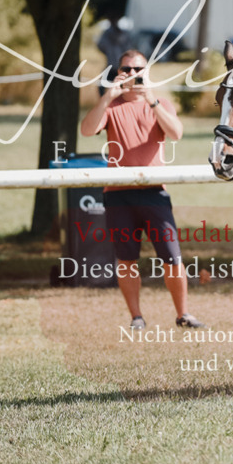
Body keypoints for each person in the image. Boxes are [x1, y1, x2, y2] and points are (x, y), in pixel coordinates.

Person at [80, 49, 205, 330]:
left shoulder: (158, 102)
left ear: (145, 72)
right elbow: (87, 130)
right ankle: (136, 317)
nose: (132, 74)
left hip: (154, 192)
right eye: (126, 69)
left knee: (172, 257)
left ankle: (183, 314)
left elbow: (176, 133)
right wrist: (108, 96)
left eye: (138, 69)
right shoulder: (111, 106)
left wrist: (152, 100)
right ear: (118, 72)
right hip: (117, 193)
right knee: (126, 258)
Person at [95, 11, 134, 96]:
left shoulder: (124, 33)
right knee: (102, 85)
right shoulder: (107, 33)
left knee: (124, 87)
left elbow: (129, 49)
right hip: (111, 66)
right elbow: (100, 45)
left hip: (122, 67)